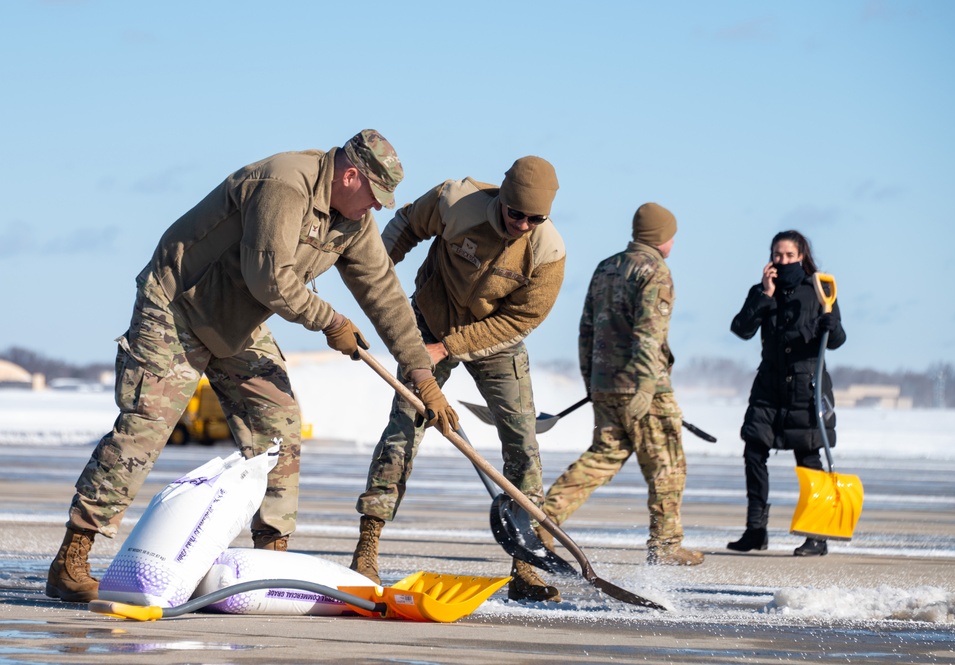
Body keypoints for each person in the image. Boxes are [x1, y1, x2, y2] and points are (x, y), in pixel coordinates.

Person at [46, 130, 457, 603]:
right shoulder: (283, 184)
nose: (378, 209)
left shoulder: (352, 221)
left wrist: (422, 376)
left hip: (240, 320)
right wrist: (331, 321)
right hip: (178, 305)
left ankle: (272, 560)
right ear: (350, 175)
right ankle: (72, 558)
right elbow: (271, 279)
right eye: (375, 196)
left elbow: (383, 293)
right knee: (144, 431)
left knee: (278, 429)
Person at [350, 156, 566, 602]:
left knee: (522, 443)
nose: (523, 224)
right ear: (502, 200)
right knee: (403, 429)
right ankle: (366, 547)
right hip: (429, 319)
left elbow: (518, 321)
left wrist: (449, 348)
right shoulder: (456, 201)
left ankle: (526, 565)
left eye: (535, 218)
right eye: (516, 214)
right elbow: (406, 223)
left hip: (495, 340)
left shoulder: (548, 253)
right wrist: (377, 275)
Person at [539, 203, 703, 567]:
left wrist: (591, 381)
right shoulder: (656, 272)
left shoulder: (606, 267)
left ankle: (542, 520)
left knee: (602, 457)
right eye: (671, 235)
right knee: (667, 465)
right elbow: (649, 333)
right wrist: (646, 388)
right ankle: (666, 545)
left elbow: (586, 329)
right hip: (644, 389)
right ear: (662, 237)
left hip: (605, 385)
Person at [727, 230, 846, 557]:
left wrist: (829, 326)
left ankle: (817, 536)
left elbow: (837, 339)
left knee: (808, 460)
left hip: (806, 387)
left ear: (802, 256)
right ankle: (755, 531)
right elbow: (741, 329)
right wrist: (764, 296)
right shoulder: (764, 290)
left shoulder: (820, 290)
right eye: (777, 255)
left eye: (789, 256)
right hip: (769, 386)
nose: (782, 261)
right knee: (754, 452)